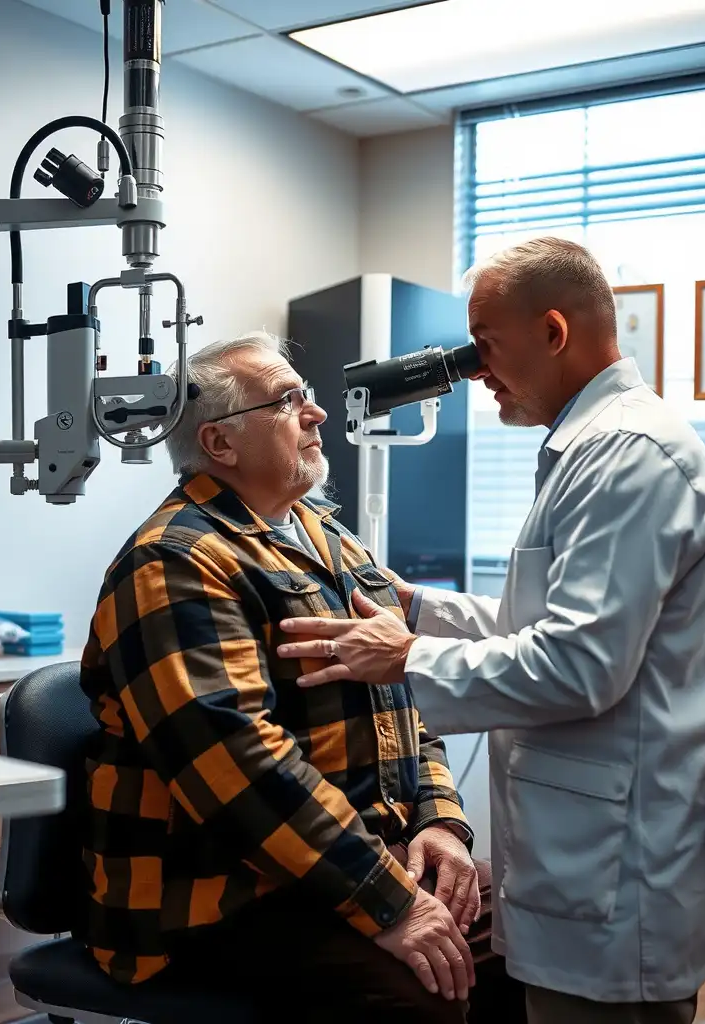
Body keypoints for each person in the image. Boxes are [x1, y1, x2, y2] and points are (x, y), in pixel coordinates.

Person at [277, 237, 705, 1024]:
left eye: (487, 346)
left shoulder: (623, 455)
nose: (475, 371)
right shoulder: (599, 447)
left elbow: (578, 666)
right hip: (606, 840)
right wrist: (416, 609)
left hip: (619, 862)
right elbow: (545, 626)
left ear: (553, 332)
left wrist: (407, 659)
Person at [78, 330, 527, 1024]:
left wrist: (441, 826)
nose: (316, 414)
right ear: (221, 443)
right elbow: (239, 768)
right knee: (429, 992)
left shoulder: (326, 537)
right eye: (288, 402)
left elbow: (403, 700)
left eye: (306, 396)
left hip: (335, 869)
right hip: (216, 897)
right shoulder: (175, 563)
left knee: (534, 940)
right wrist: (391, 900)